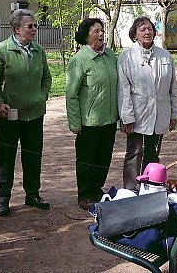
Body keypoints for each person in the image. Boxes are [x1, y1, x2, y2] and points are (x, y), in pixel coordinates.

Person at [0, 9, 52, 216]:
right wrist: (0, 103)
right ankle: (3, 198)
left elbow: (46, 77)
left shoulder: (39, 50)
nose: (34, 29)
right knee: (6, 156)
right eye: (30, 26)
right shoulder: (1, 50)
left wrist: (41, 96)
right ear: (17, 29)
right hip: (9, 114)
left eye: (35, 25)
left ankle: (32, 194)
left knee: (33, 154)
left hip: (34, 113)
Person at [118, 16, 177, 191]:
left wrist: (174, 114)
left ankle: (151, 187)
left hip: (160, 112)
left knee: (153, 152)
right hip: (137, 114)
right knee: (134, 152)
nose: (147, 32)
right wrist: (127, 117)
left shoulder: (165, 56)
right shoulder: (126, 57)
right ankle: (131, 189)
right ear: (134, 34)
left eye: (150, 29)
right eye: (142, 29)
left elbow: (173, 88)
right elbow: (123, 90)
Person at [66, 18, 118, 210]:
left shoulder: (110, 55)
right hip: (89, 121)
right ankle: (85, 194)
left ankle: (97, 190)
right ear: (86, 36)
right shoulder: (79, 60)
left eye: (102, 30)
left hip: (109, 118)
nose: (101, 34)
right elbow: (71, 94)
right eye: (96, 31)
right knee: (87, 160)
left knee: (103, 158)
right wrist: (75, 123)